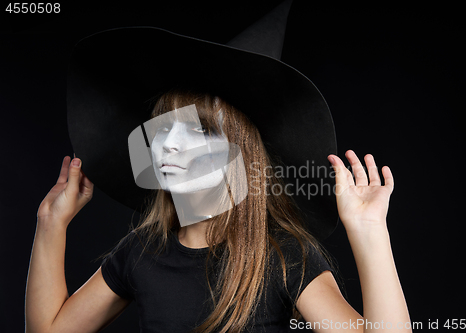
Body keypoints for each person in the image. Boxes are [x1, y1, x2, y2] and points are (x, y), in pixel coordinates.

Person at [26, 2, 411, 332]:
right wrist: (50, 224)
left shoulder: (282, 256)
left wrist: (370, 231)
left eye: (201, 128)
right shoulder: (142, 252)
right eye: (163, 126)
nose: (170, 142)